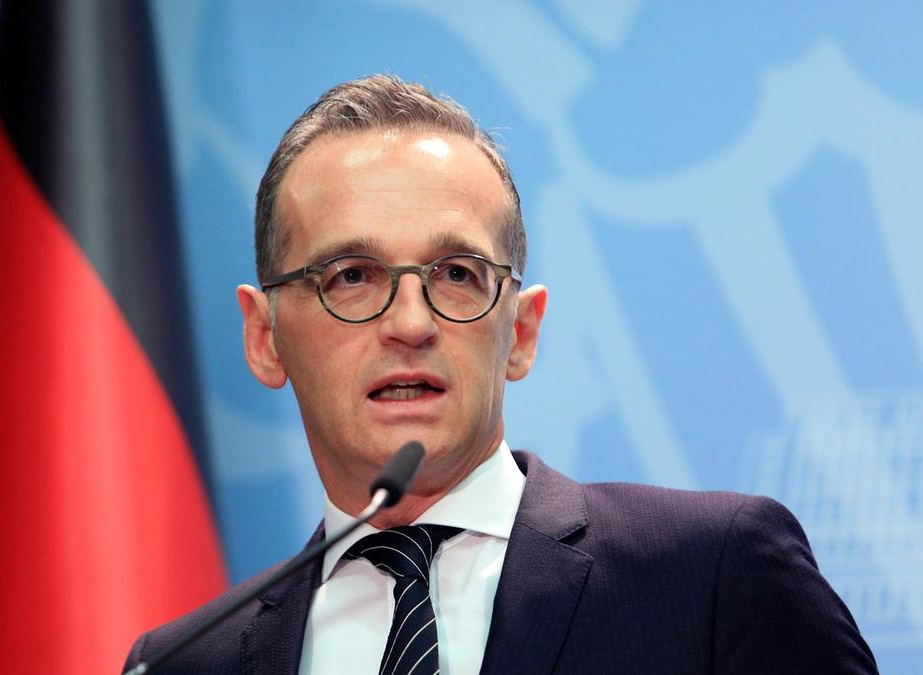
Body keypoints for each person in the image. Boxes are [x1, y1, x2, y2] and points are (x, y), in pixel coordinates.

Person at [124, 75, 876, 674]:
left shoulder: (711, 577)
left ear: (521, 331)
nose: (410, 322)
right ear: (265, 338)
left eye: (457, 273)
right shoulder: (186, 662)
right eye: (352, 275)